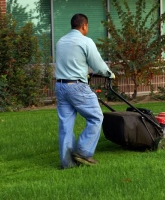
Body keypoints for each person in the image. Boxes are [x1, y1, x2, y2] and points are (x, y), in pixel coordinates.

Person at [55, 13, 115, 169]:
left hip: (60, 86)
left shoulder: (61, 41)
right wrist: (109, 74)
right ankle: (83, 152)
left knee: (65, 125)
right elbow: (98, 65)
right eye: (87, 26)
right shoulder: (85, 41)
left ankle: (67, 163)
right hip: (77, 87)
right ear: (84, 26)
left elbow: (71, 62)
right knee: (96, 117)